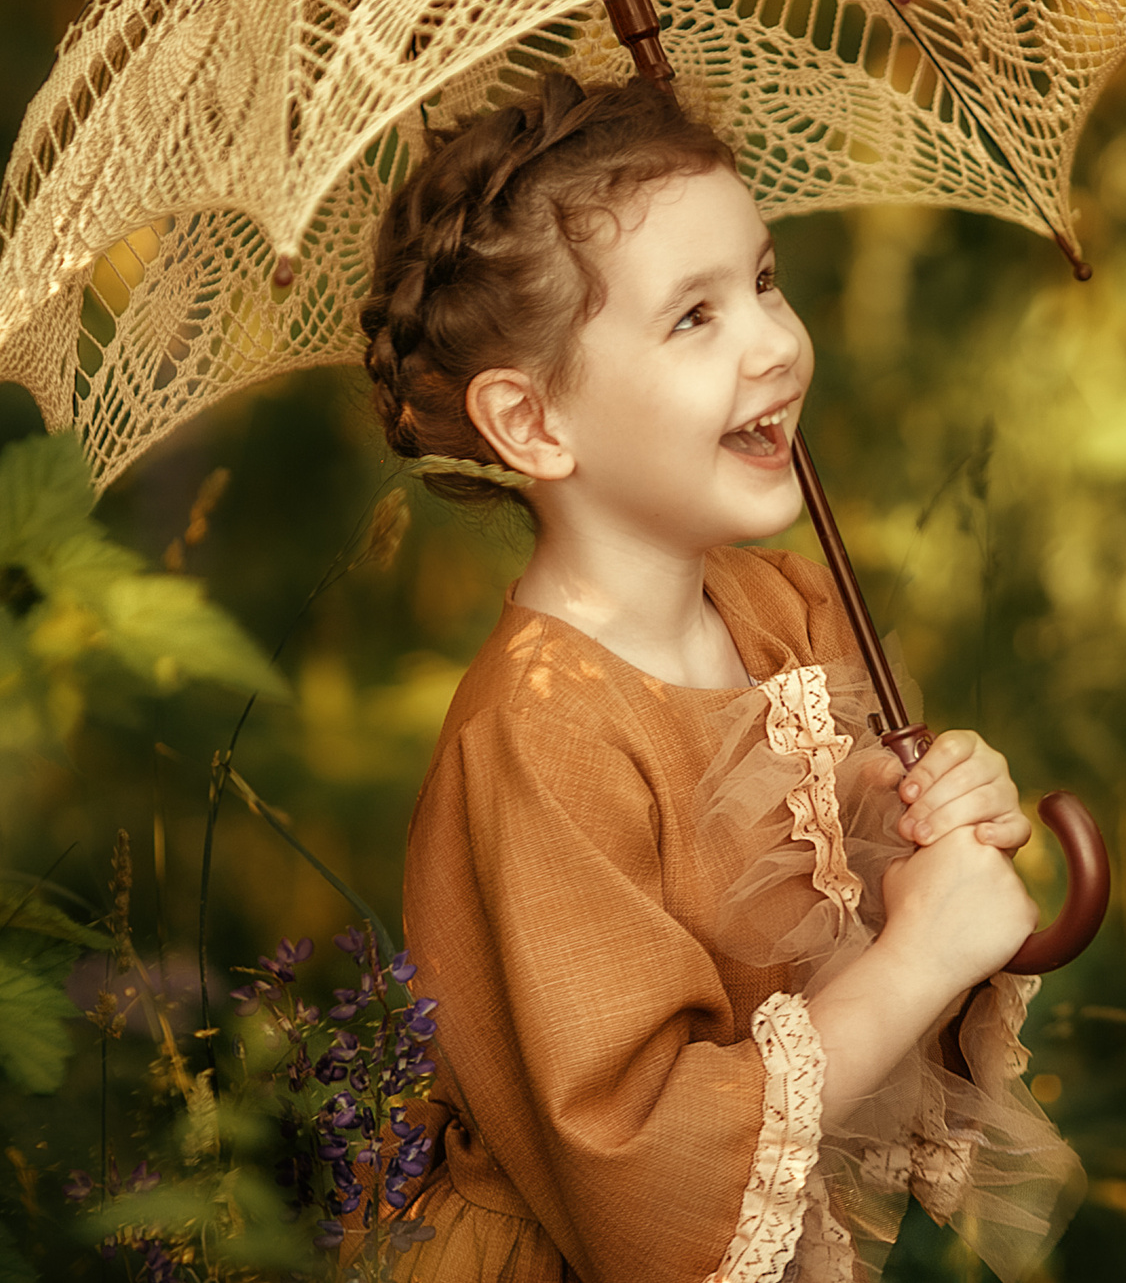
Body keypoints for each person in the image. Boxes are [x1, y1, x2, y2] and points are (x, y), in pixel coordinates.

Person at [361, 74, 1084, 1283]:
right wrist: (914, 961)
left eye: (761, 280)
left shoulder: (785, 609)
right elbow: (636, 1156)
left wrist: (929, 849)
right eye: (692, 317)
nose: (773, 342)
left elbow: (840, 966)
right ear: (533, 424)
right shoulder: (540, 735)